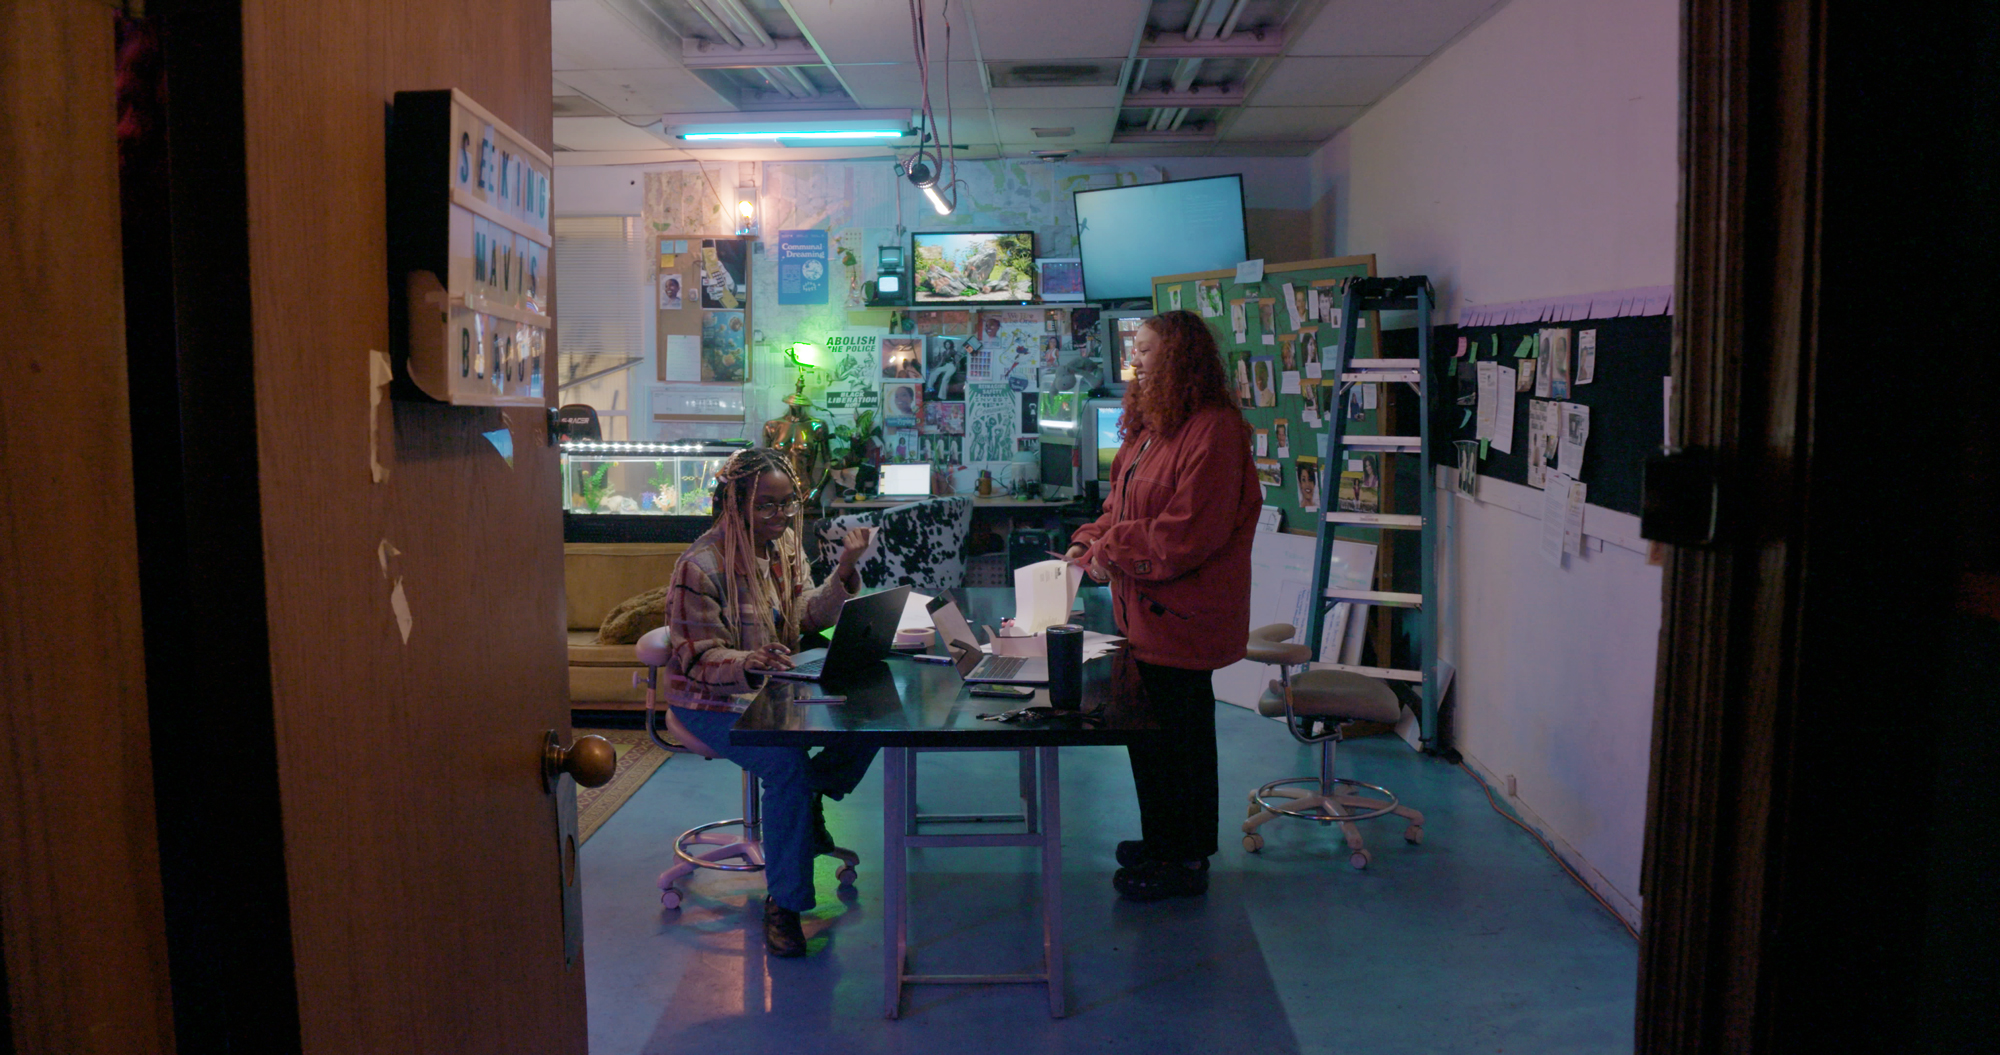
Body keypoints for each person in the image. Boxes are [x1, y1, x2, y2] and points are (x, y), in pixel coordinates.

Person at [1064, 309, 1261, 901]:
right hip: (1142, 615)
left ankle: (1185, 860)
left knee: (1181, 742)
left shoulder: (1216, 431)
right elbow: (1119, 505)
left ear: (1180, 358)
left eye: (1147, 352)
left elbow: (1187, 533)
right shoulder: (1152, 427)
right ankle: (1163, 840)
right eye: (1136, 351)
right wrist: (1086, 540)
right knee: (1150, 737)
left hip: (1184, 617)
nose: (1136, 362)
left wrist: (1110, 548)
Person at [663, 448, 878, 957]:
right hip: (712, 702)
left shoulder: (781, 549)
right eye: (766, 507)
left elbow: (807, 616)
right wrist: (750, 661)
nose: (780, 518)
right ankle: (784, 903)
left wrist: (845, 570)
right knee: (784, 764)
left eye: (787, 505)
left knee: (870, 714)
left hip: (772, 687)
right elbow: (698, 659)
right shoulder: (699, 565)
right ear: (733, 504)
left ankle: (810, 796)